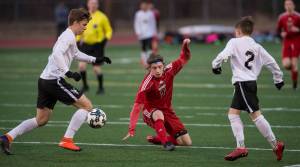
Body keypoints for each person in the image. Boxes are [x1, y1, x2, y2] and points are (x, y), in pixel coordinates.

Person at [0, 8, 111, 155]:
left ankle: (7, 137)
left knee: (41, 119)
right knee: (87, 106)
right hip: (54, 81)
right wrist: (68, 72)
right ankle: (67, 139)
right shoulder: (68, 37)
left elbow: (75, 53)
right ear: (76, 22)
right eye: (84, 24)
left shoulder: (69, 35)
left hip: (45, 80)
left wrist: (95, 59)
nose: (86, 27)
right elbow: (57, 54)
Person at [212, 16, 285, 161]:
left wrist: (215, 66)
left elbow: (223, 55)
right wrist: (278, 78)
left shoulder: (234, 42)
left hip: (243, 84)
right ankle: (243, 147)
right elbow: (272, 62)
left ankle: (274, 144)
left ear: (238, 31)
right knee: (233, 114)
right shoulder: (257, 46)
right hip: (248, 84)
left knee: (256, 116)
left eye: (235, 32)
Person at [122, 39, 192, 151]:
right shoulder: (147, 83)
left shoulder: (169, 70)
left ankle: (157, 139)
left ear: (163, 66)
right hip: (150, 111)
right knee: (158, 114)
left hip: (167, 110)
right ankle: (166, 143)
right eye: (154, 68)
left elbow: (184, 58)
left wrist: (185, 46)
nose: (158, 70)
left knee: (186, 142)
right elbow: (137, 107)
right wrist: (132, 128)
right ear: (149, 68)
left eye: (160, 67)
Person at [77, 0, 113, 94]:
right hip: (85, 45)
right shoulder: (84, 16)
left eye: (95, 3)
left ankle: (101, 88)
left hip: (97, 46)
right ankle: (85, 86)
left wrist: (105, 40)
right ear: (88, 4)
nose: (93, 5)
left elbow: (109, 30)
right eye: (91, 3)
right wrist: (77, 39)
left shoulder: (102, 16)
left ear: (97, 5)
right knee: (81, 66)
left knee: (96, 69)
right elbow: (80, 29)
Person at [277, 0, 300, 89]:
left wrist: (297, 30)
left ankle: (294, 83)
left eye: (290, 4)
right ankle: (294, 71)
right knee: (286, 65)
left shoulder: (298, 16)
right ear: (284, 6)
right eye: (286, 4)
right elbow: (278, 31)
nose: (288, 6)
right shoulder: (282, 17)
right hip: (287, 41)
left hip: (296, 41)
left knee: (294, 63)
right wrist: (281, 34)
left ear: (294, 5)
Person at [134, 0, 157, 68]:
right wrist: (138, 31)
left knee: (150, 47)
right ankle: (144, 61)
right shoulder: (138, 14)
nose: (143, 6)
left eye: (145, 5)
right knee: (143, 48)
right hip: (141, 34)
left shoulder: (150, 13)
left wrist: (154, 32)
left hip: (149, 33)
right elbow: (136, 23)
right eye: (142, 5)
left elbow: (153, 23)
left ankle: (149, 61)